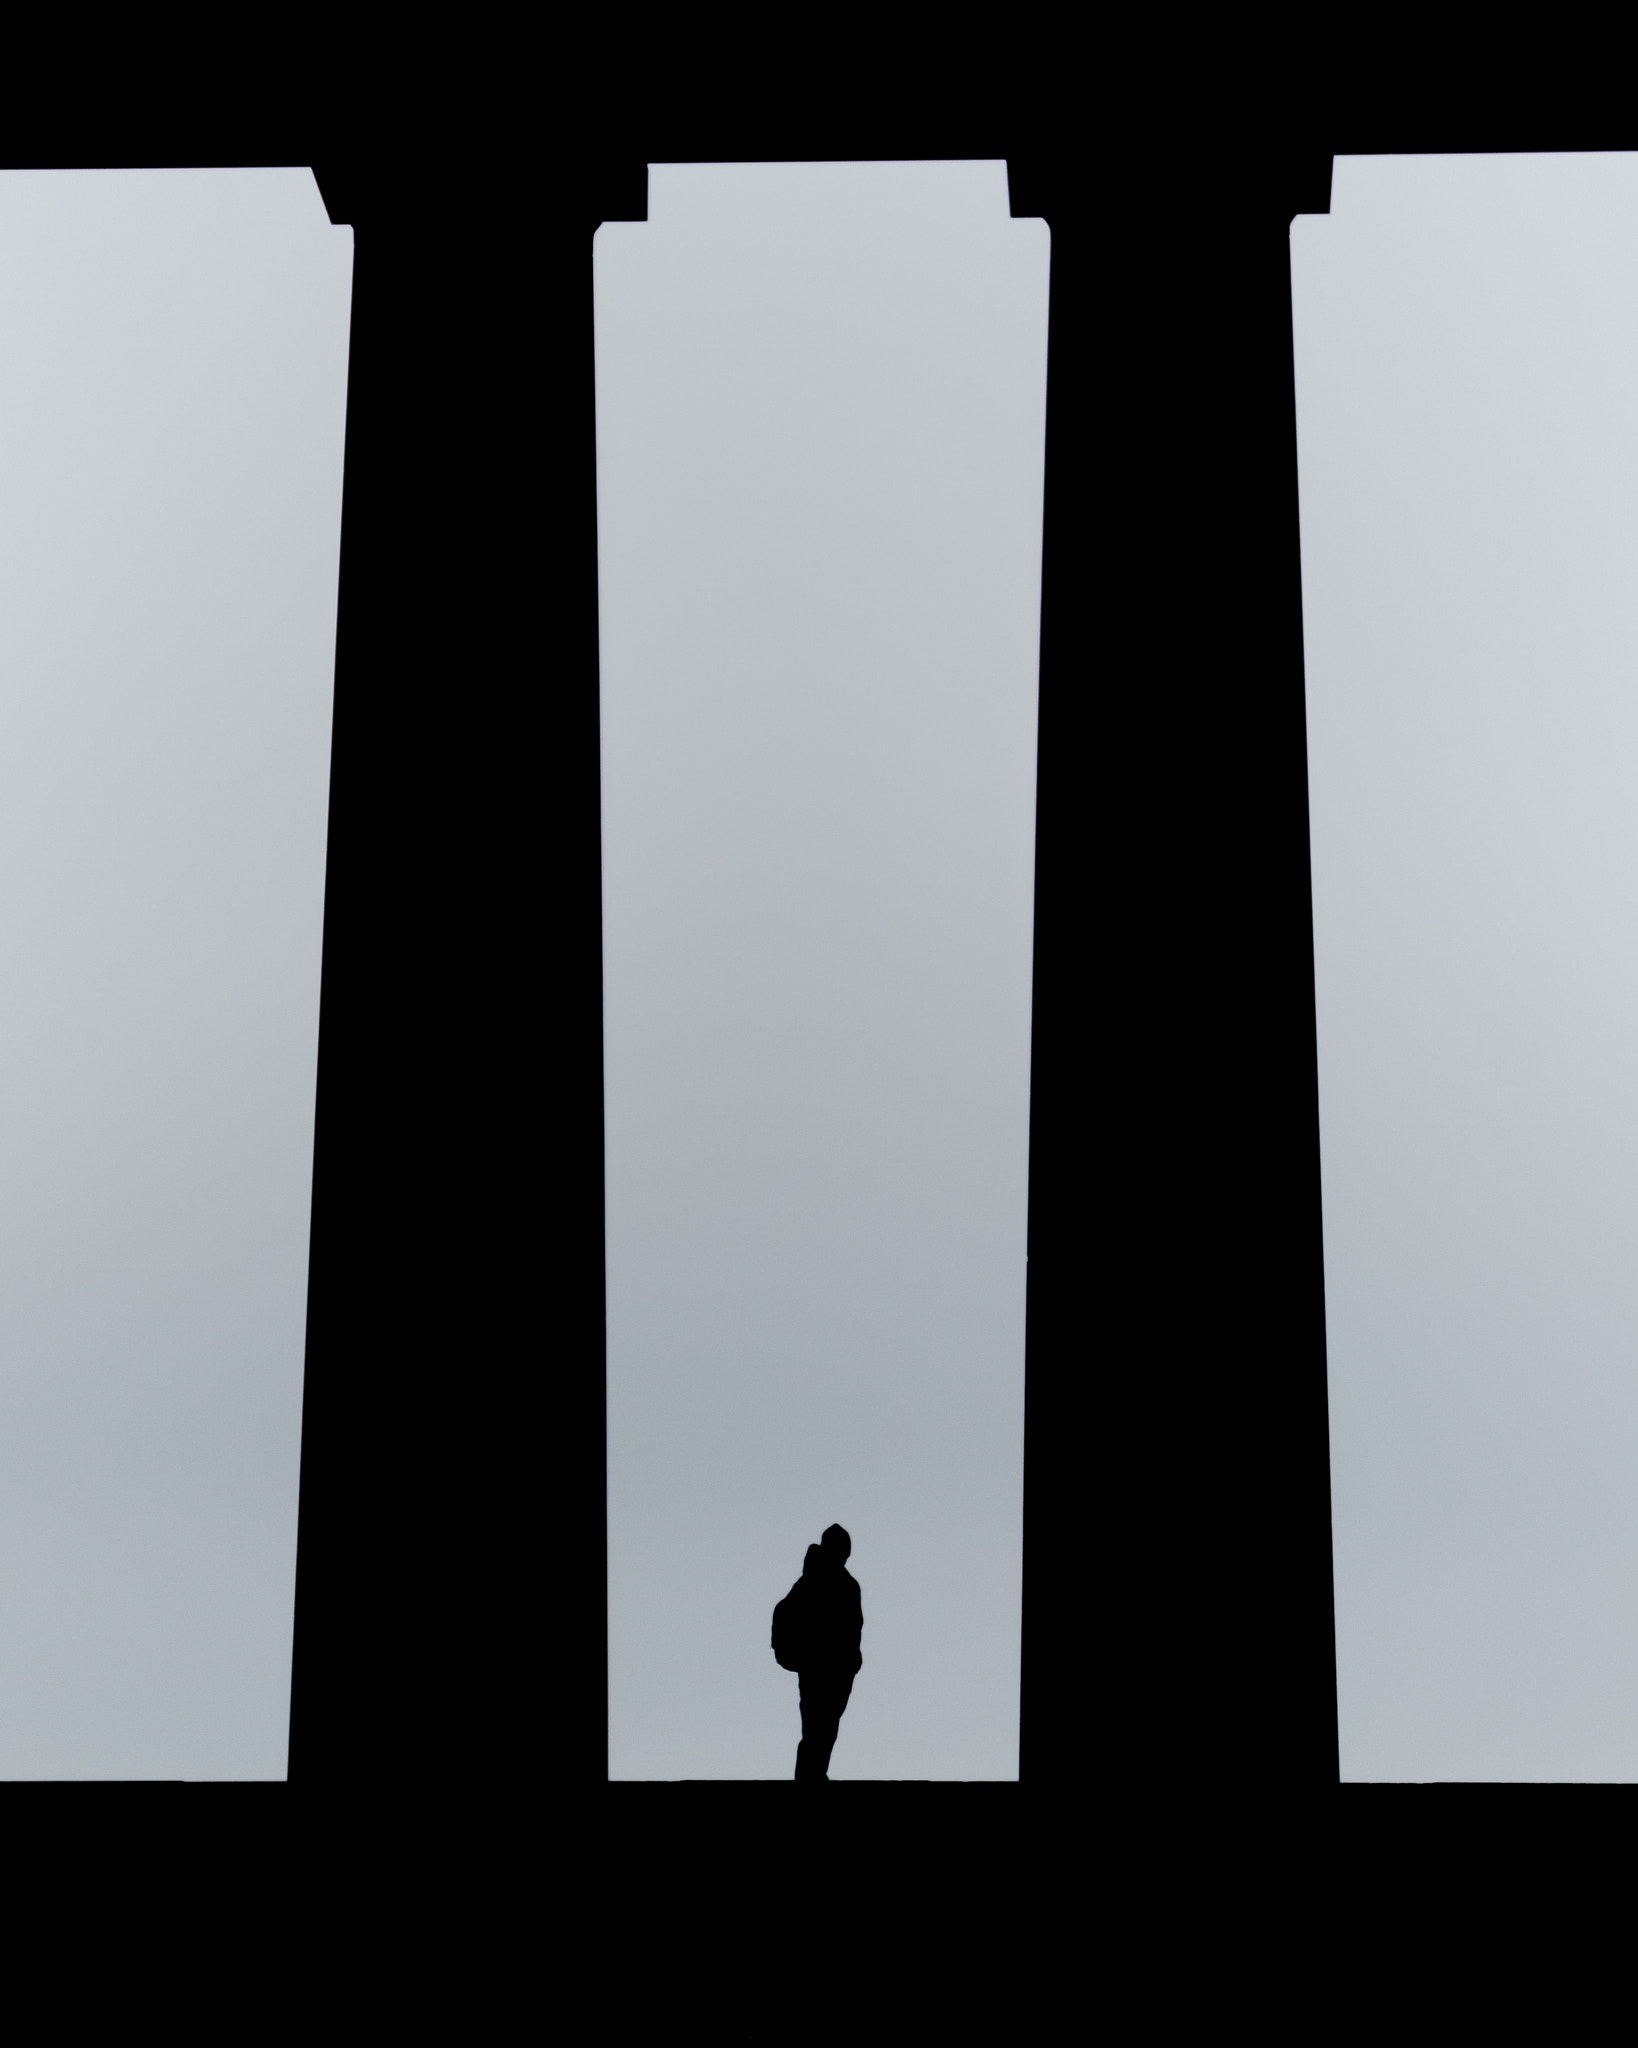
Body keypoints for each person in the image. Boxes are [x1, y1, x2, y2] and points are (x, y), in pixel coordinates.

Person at [771, 1524, 863, 1781]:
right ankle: (809, 1779)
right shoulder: (813, 1581)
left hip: (837, 1669)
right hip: (817, 1666)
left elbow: (853, 1627)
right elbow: (790, 1614)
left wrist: (852, 1660)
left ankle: (814, 1775)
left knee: (825, 1727)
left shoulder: (845, 1584)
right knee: (816, 1727)